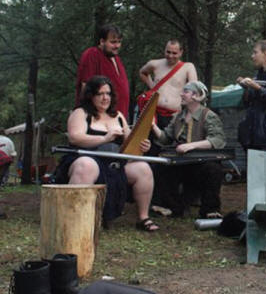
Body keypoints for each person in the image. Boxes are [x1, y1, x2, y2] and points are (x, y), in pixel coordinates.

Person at [56, 76, 158, 231]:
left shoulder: (117, 116)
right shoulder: (81, 113)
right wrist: (104, 138)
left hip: (114, 164)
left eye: (108, 94)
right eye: (100, 94)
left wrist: (142, 145)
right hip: (86, 160)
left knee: (143, 168)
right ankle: (73, 218)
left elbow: (130, 142)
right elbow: (75, 137)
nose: (105, 98)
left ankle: (143, 218)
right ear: (91, 95)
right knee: (87, 165)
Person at [151, 81, 226, 219]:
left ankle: (210, 210)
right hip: (182, 162)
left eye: (186, 91)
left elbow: (217, 140)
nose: (181, 94)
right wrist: (153, 126)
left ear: (196, 96)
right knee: (162, 167)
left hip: (201, 162)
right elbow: (166, 138)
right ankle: (173, 208)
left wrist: (190, 145)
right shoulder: (178, 117)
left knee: (213, 170)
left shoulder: (208, 116)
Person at [139, 40, 198, 212]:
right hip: (154, 115)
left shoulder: (188, 67)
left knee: (171, 156)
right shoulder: (155, 64)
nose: (171, 56)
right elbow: (143, 72)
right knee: (151, 154)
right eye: (168, 52)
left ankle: (171, 198)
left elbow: (194, 88)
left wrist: (187, 111)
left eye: (174, 53)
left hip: (174, 117)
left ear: (181, 52)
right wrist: (153, 88)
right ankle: (151, 198)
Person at [76, 24, 130, 119]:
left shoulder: (116, 58)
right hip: (100, 120)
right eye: (113, 42)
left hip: (119, 117)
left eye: (119, 42)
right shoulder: (92, 54)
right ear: (102, 41)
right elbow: (86, 88)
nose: (117, 46)